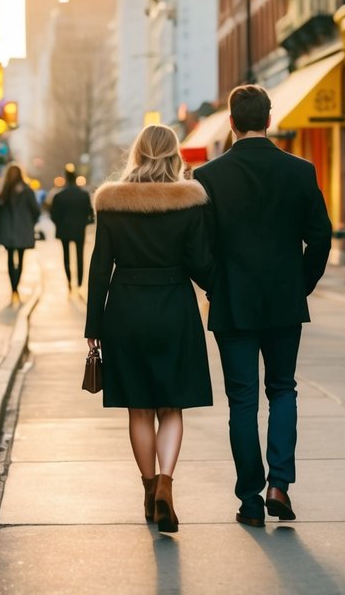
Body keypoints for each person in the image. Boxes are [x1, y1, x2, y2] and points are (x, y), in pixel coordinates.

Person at [195, 83, 332, 528]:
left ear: (231, 122)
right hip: (283, 301)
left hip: (233, 303)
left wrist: (217, 285)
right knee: (283, 389)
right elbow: (321, 236)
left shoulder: (209, 178)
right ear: (268, 119)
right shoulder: (301, 171)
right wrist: (301, 284)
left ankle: (250, 499)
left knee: (242, 403)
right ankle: (280, 484)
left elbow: (199, 249)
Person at [85, 124, 213, 534]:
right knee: (171, 406)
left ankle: (147, 489)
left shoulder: (112, 202)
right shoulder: (189, 201)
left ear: (137, 153)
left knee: (139, 407)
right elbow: (200, 264)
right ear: (174, 154)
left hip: (125, 309)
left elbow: (100, 266)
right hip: (175, 307)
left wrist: (93, 326)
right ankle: (166, 485)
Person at [0, 162, 40, 303]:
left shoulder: (4, 191)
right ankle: (16, 287)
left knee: (10, 259)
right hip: (23, 230)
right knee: (21, 259)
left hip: (7, 231)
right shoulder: (27, 190)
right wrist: (29, 223)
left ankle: (13, 289)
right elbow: (35, 211)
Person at [49, 164, 94, 289]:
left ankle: (69, 280)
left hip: (64, 229)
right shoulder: (84, 195)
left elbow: (53, 215)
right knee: (80, 256)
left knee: (66, 256)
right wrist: (84, 223)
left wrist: (60, 223)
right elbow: (91, 214)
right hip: (79, 229)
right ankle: (79, 282)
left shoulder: (59, 196)